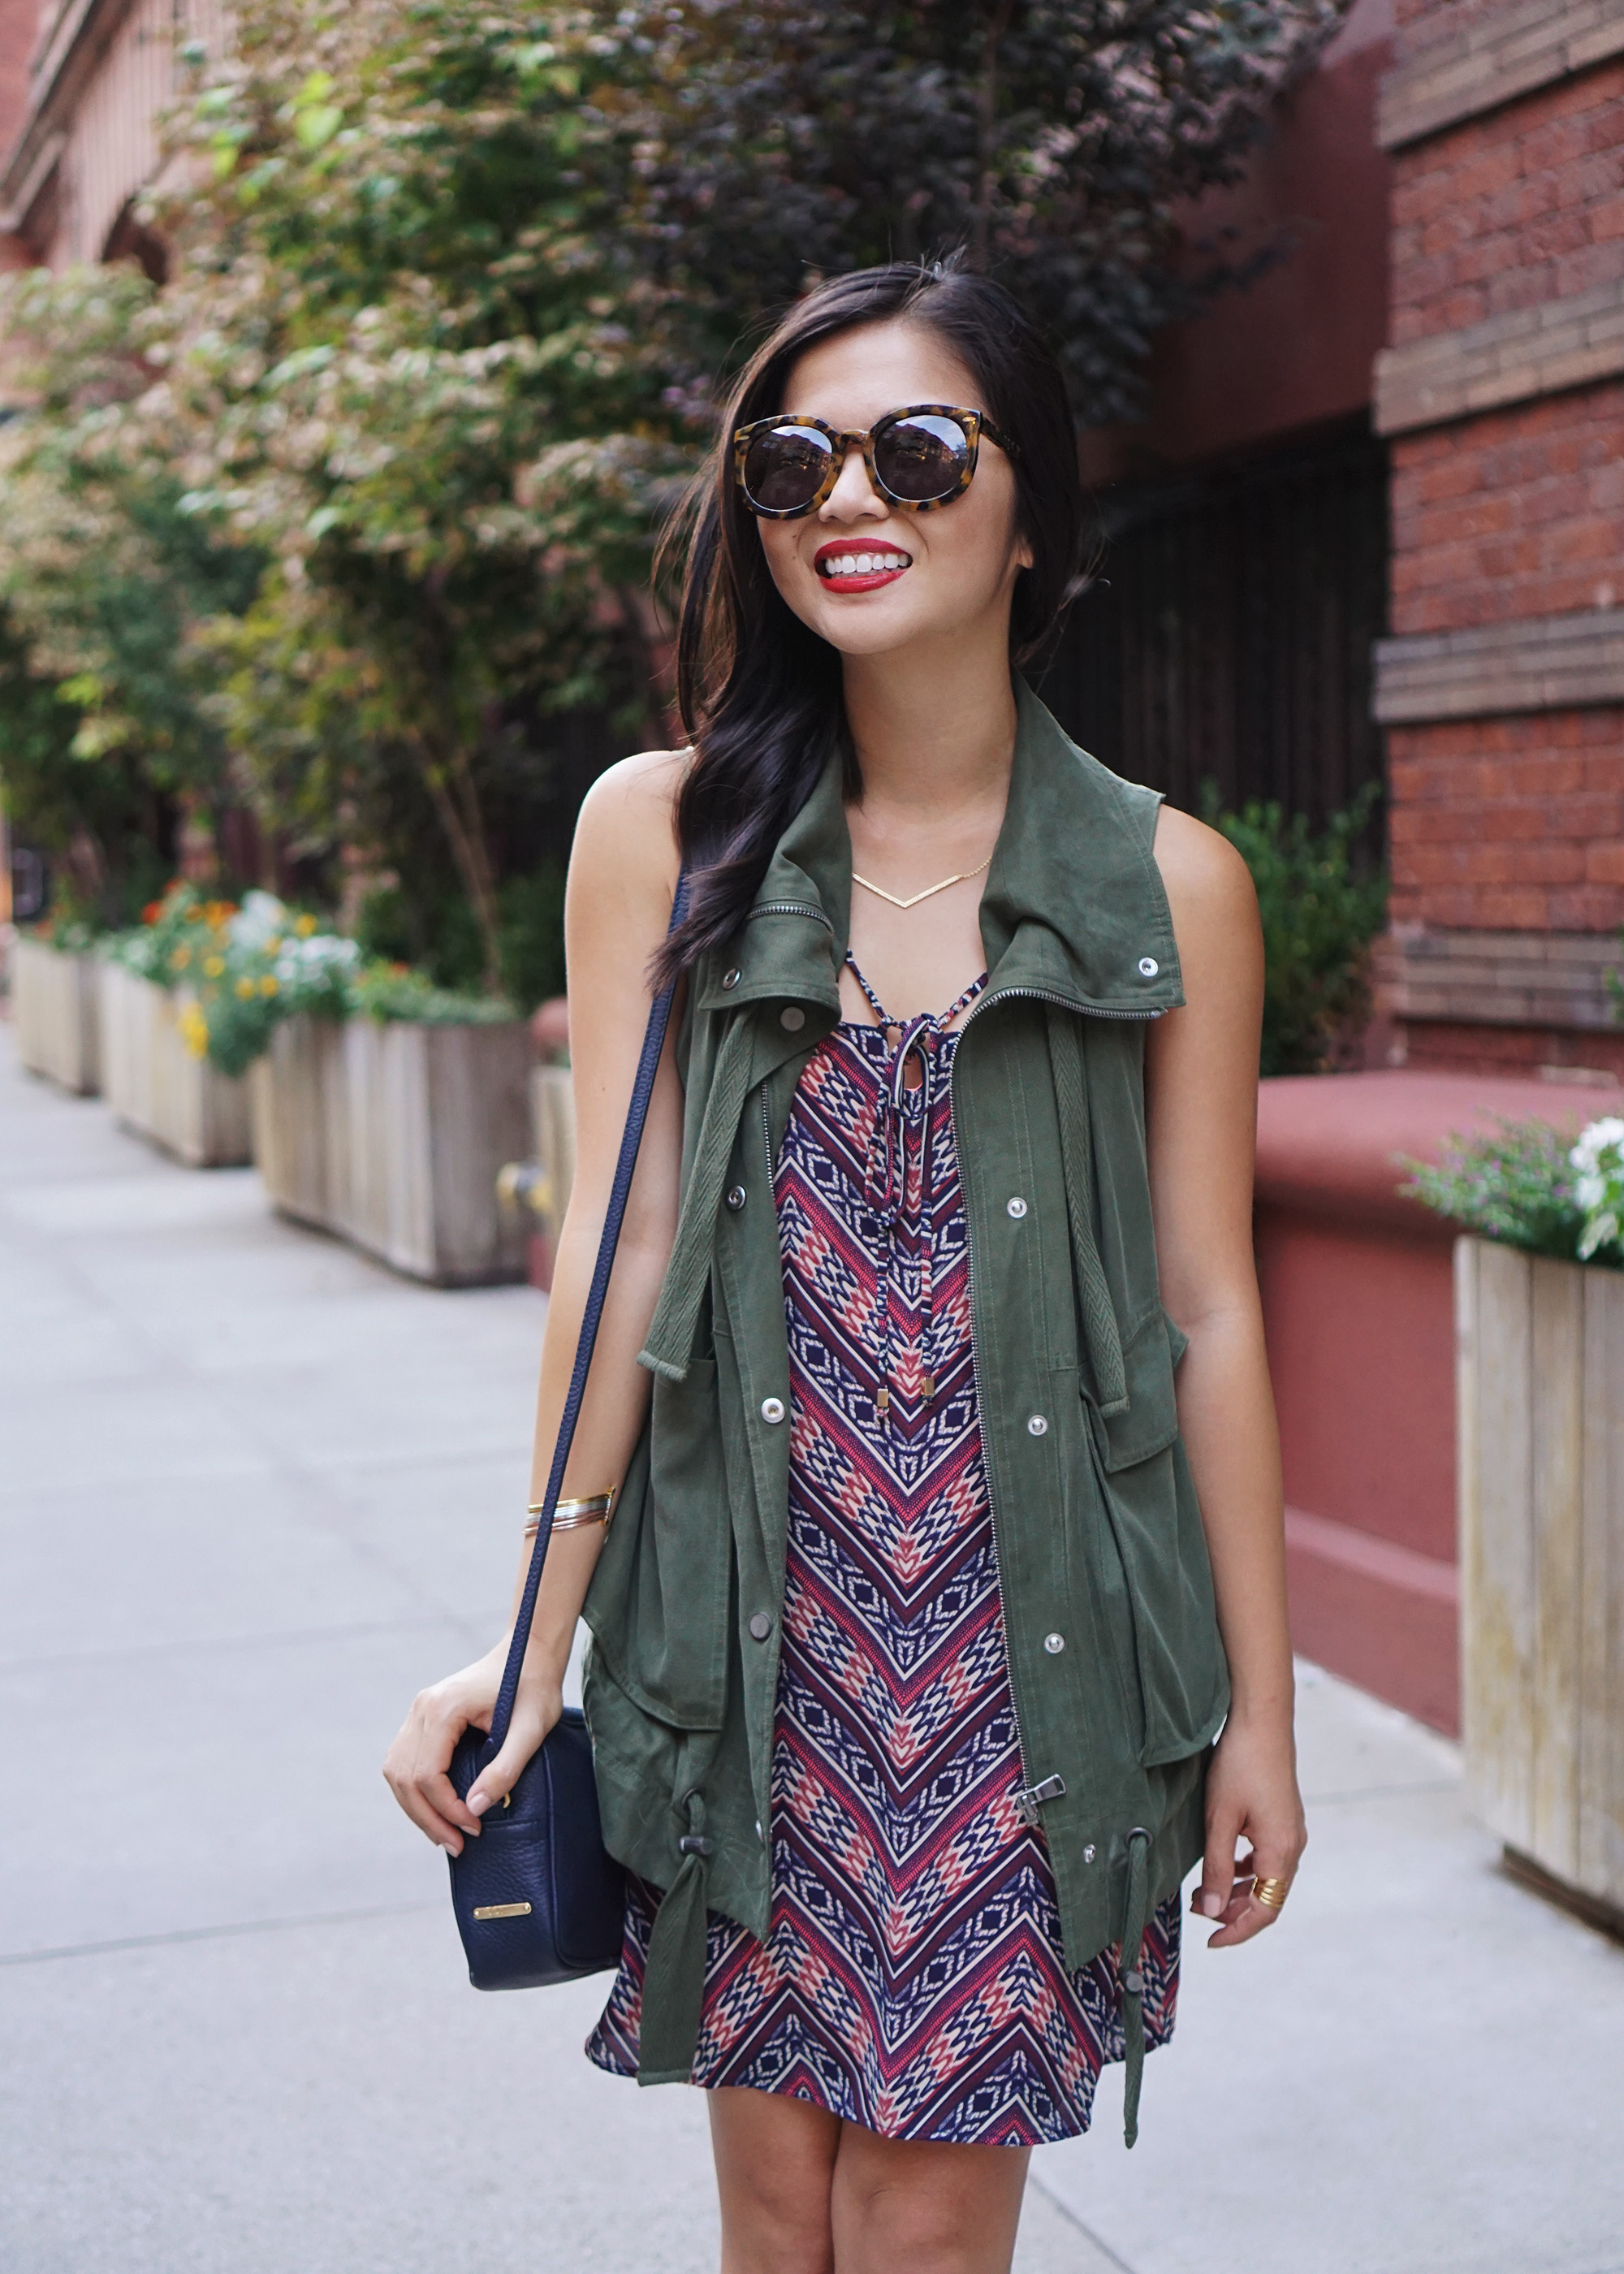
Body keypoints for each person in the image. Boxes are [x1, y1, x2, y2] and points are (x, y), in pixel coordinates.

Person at [385, 256, 1306, 2274]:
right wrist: (527, 1645)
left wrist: (1260, 1711)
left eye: (913, 449)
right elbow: (620, 1251)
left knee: (907, 2221)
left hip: (1030, 1652)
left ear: (1028, 503)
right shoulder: (668, 832)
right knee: (776, 2205)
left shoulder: (1165, 885)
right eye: (792, 460)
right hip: (752, 1638)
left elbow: (1210, 1308)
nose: (845, 501)